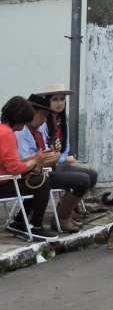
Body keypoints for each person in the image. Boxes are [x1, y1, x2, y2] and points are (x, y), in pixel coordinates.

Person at [16, 94, 91, 232]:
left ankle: (65, 214)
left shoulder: (40, 129)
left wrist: (55, 151)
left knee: (89, 174)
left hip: (46, 170)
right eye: (43, 115)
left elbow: (49, 152)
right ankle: (60, 218)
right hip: (34, 174)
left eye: (46, 116)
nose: (45, 120)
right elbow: (23, 161)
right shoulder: (21, 132)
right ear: (31, 113)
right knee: (83, 179)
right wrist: (52, 158)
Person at [0, 96, 57, 240]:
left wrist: (30, 159)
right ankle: (35, 226)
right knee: (43, 182)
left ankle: (20, 222)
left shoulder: (3, 130)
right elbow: (14, 169)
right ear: (20, 118)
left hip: (4, 180)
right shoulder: (7, 134)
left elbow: (7, 162)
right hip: (3, 184)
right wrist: (36, 160)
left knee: (37, 181)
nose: (26, 124)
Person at [38, 83, 98, 209]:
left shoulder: (63, 122)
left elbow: (66, 147)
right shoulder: (43, 124)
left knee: (93, 169)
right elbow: (44, 149)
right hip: (51, 165)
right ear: (47, 101)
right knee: (87, 172)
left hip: (61, 161)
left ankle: (69, 205)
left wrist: (65, 158)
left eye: (62, 99)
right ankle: (67, 210)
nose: (59, 103)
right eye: (55, 99)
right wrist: (63, 160)